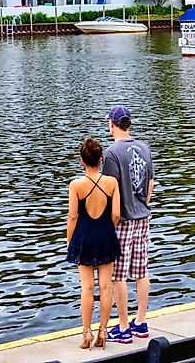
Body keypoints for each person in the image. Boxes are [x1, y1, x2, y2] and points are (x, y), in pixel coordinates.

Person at [102, 106, 155, 344]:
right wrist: (142, 205)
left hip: (122, 219)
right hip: (143, 215)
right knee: (141, 270)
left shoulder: (112, 153)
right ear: (129, 124)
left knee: (118, 274)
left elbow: (109, 190)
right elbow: (150, 182)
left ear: (112, 124)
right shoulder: (144, 148)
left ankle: (123, 327)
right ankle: (141, 321)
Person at [66, 137, 122, 350]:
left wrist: (70, 240)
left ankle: (86, 332)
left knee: (87, 287)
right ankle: (103, 332)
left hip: (84, 237)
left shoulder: (76, 185)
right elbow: (116, 213)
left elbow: (72, 217)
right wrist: (108, 228)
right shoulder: (112, 183)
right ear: (101, 159)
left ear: (82, 160)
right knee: (106, 286)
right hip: (106, 235)